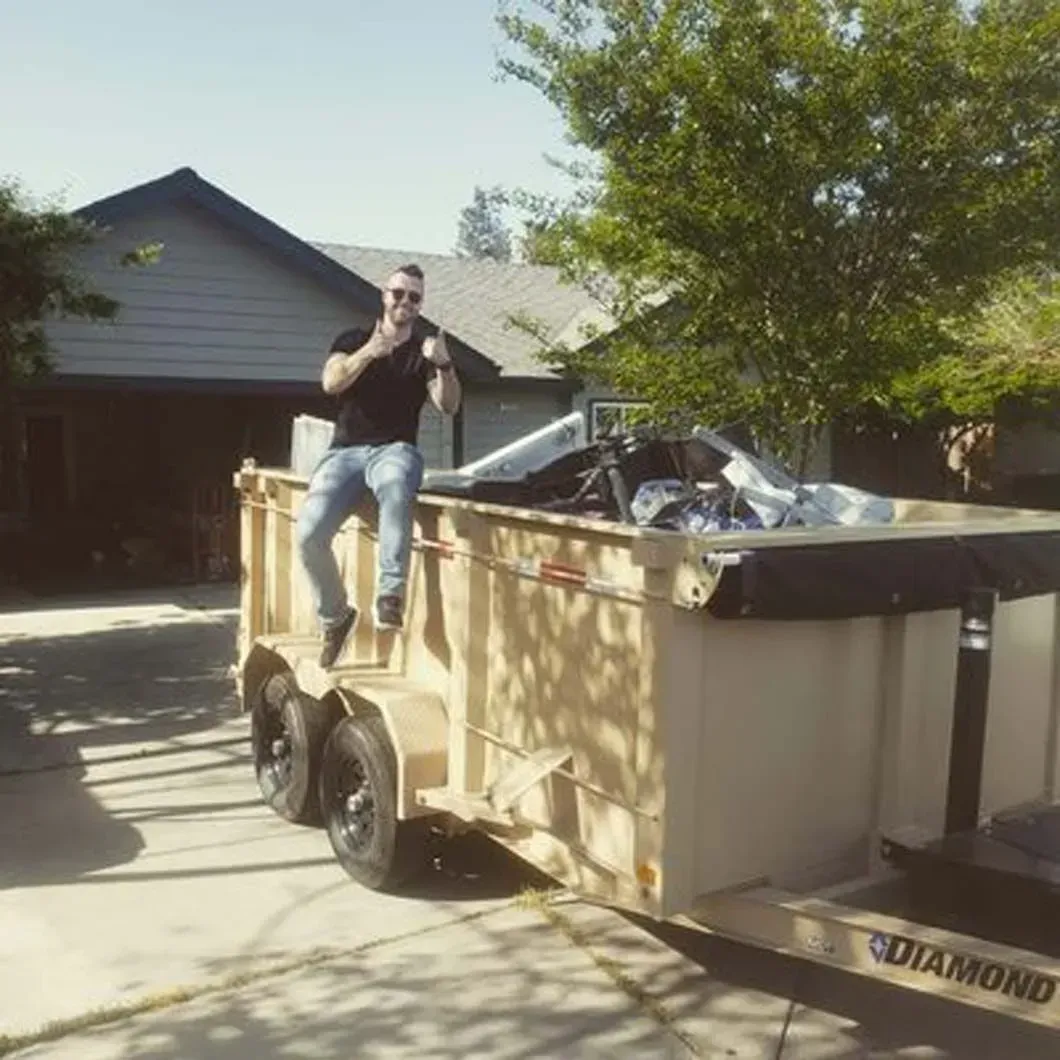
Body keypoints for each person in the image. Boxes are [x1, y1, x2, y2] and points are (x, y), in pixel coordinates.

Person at [296, 264, 461, 667]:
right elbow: (331, 383)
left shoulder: (423, 352)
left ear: (421, 305)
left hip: (394, 449)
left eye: (414, 297)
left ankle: (390, 596)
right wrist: (371, 351)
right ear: (384, 295)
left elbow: (449, 406)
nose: (405, 302)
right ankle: (336, 616)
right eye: (399, 294)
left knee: (396, 483)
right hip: (344, 453)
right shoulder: (352, 339)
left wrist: (444, 365)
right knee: (308, 536)